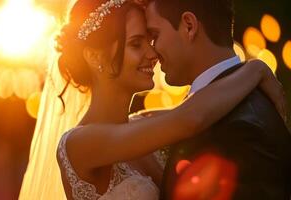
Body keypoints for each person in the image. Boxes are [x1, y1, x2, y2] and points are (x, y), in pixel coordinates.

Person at [19, 0, 286, 199]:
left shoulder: (151, 122)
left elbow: (198, 107)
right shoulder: (78, 143)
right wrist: (256, 69)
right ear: (95, 56)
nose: (153, 52)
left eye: (151, 38)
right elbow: (191, 118)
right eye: (137, 44)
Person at [144, 0, 291, 199]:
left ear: (189, 25)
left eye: (155, 35)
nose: (152, 51)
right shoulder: (239, 104)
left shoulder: (239, 131)